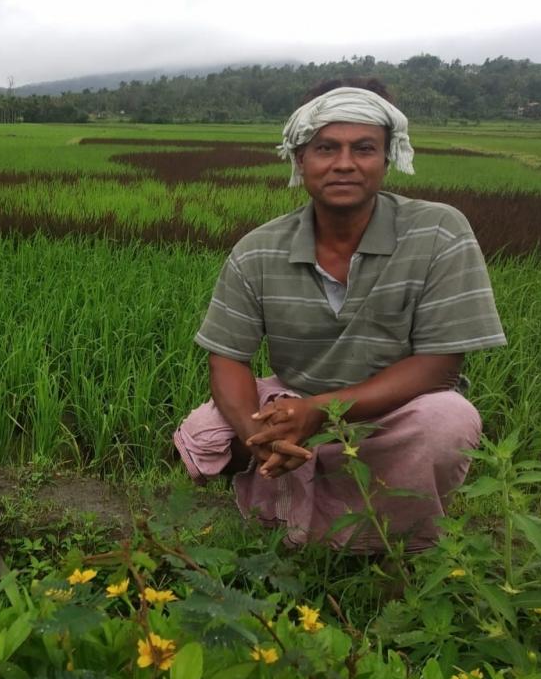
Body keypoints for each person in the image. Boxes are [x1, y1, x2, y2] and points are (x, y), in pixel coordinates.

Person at [172, 80, 506, 552]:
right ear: (300, 159)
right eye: (326, 147)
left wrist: (321, 412)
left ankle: (397, 543)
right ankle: (286, 511)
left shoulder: (438, 231)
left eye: (364, 148)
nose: (345, 163)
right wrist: (256, 435)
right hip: (295, 398)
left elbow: (440, 365)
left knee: (447, 421)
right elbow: (228, 358)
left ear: (387, 158)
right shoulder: (258, 249)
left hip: (396, 410)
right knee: (206, 435)